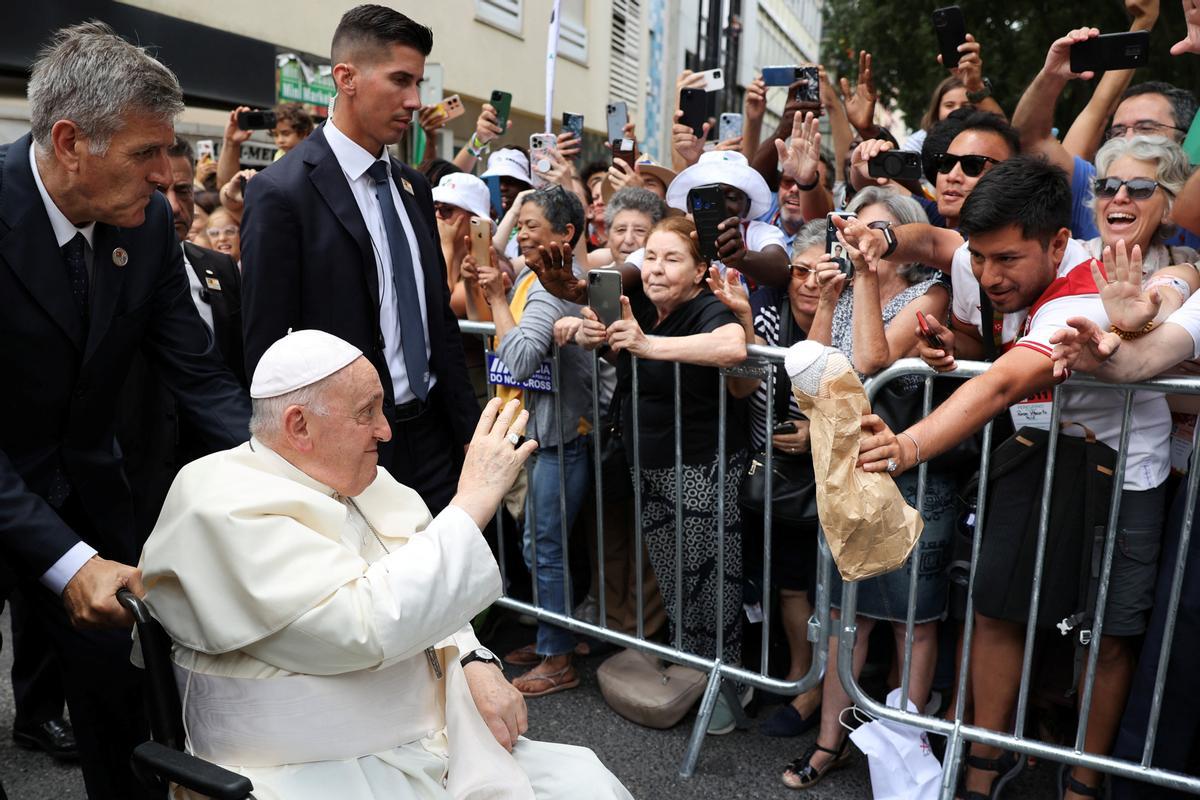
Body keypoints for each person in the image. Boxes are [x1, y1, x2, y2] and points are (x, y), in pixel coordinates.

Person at [139, 331, 632, 800]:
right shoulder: (218, 503)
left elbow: (428, 598)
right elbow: (363, 626)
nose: (386, 430)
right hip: (308, 772)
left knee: (589, 782)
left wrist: (473, 659)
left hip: (430, 745)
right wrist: (473, 500)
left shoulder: (365, 480)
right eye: (366, 412)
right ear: (298, 425)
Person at [853, 156, 1171, 800]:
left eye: (1006, 261)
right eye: (981, 257)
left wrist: (909, 444)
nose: (987, 275)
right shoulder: (985, 258)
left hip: (1122, 478)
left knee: (1105, 637)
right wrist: (887, 241)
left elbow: (1002, 384)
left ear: (1057, 243)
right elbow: (936, 243)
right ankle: (982, 770)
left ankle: (1081, 785)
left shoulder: (1083, 295)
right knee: (996, 609)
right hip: (1035, 458)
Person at [0, 21, 249, 799]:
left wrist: (292, 477)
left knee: (127, 715)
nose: (167, 175)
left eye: (169, 150)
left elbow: (200, 378)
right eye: (147, 154)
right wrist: (68, 563)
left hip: (93, 505)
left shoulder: (142, 234)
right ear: (70, 140)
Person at [240, 5, 479, 513]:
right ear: (346, 77)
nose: (414, 100)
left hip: (434, 439)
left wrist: (467, 433)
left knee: (448, 586)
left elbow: (438, 319)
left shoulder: (414, 188)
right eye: (399, 81)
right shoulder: (282, 194)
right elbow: (265, 351)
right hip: (344, 454)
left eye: (417, 82)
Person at [779, 189, 954, 789]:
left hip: (917, 472)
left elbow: (873, 361)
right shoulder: (853, 287)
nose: (861, 236)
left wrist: (863, 275)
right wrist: (831, 295)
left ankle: (905, 752)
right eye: (855, 225)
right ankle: (832, 741)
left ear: (904, 237)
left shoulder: (933, 293)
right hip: (852, 472)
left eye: (876, 228)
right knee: (840, 613)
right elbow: (818, 365)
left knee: (913, 618)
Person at [575, 216, 756, 734]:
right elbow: (610, 340)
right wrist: (592, 333)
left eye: (672, 258)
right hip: (650, 464)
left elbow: (732, 349)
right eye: (650, 256)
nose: (655, 268)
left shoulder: (708, 308)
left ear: (701, 271)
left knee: (711, 584)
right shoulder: (644, 310)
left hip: (702, 468)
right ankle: (693, 673)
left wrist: (647, 346)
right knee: (677, 580)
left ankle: (726, 684)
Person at [464, 187, 593, 696]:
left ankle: (557, 657)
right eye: (521, 224)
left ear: (566, 235)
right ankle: (550, 636)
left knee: (545, 548)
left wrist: (497, 302)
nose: (523, 232)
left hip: (556, 440)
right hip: (538, 435)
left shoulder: (547, 289)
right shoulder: (533, 276)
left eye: (534, 224)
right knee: (540, 544)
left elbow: (516, 358)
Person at [711, 219, 826, 739]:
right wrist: (749, 333)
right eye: (799, 270)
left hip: (843, 475)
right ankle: (802, 682)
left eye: (820, 273)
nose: (807, 282)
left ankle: (826, 694)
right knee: (789, 586)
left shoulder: (852, 317)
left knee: (840, 598)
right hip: (778, 482)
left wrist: (816, 433)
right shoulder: (769, 315)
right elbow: (742, 395)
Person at [1013, 21, 1198, 243]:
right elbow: (1030, 138)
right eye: (1118, 130)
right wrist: (1052, 75)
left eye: (1145, 129)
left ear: (1186, 140)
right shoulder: (1093, 188)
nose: (1128, 139)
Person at [666, 150, 791, 286]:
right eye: (709, 196)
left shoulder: (759, 232)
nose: (720, 205)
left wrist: (742, 258)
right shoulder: (675, 237)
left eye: (731, 197)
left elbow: (783, 270)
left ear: (747, 207)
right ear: (690, 204)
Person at [586, 186, 669, 269]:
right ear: (608, 234)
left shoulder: (668, 280)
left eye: (640, 231)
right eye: (621, 230)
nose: (628, 240)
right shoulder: (595, 278)